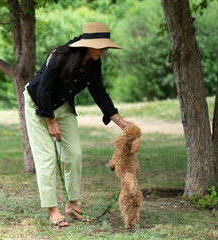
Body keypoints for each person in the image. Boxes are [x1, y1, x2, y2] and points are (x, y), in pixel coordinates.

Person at [23, 22, 134, 227]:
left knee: (74, 155)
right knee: (47, 159)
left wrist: (120, 121)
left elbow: (99, 92)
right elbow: (43, 91)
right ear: (87, 44)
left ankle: (72, 206)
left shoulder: (94, 62)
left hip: (62, 107)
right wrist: (50, 121)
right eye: (100, 47)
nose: (103, 51)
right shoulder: (60, 57)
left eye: (105, 47)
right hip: (38, 105)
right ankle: (53, 211)